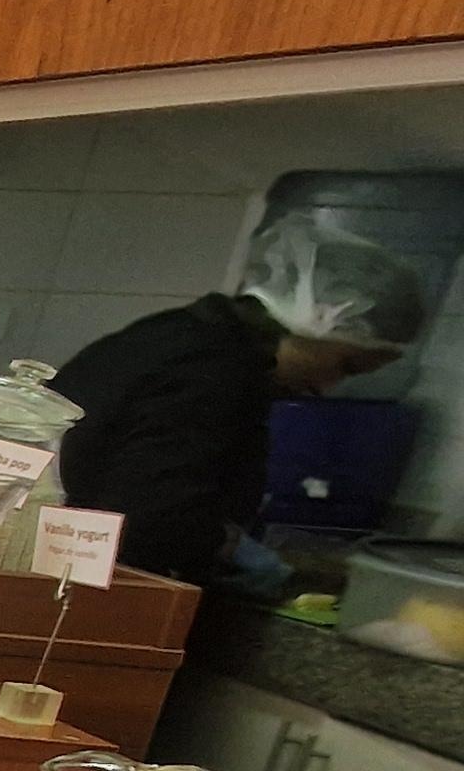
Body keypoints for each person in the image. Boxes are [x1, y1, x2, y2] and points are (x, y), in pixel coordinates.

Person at [52, 219, 432, 589]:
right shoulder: (211, 369)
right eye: (345, 366)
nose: (327, 388)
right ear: (320, 318)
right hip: (87, 580)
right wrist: (226, 550)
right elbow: (152, 512)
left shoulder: (185, 334)